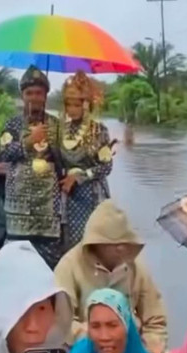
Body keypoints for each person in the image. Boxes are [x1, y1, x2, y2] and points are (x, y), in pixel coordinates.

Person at [54, 199, 168, 353]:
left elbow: (155, 318)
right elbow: (60, 323)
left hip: (132, 349)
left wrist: (153, 345)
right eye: (113, 245)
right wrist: (99, 336)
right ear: (96, 243)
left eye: (124, 243)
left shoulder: (136, 267)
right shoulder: (69, 267)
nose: (121, 249)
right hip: (85, 350)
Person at [0, 64, 64, 269]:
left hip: (48, 209)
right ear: (22, 95)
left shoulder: (56, 124)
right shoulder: (12, 124)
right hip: (18, 209)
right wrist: (29, 141)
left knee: (48, 267)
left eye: (39, 93)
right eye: (29, 93)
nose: (34, 97)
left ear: (45, 95)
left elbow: (66, 160)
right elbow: (5, 154)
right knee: (17, 265)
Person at [58, 70, 115, 250]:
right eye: (68, 105)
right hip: (69, 196)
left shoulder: (98, 131)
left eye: (76, 105)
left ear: (86, 105)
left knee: (94, 245)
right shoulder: (61, 130)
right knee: (70, 247)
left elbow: (106, 167)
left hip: (92, 196)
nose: (71, 110)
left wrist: (80, 176)